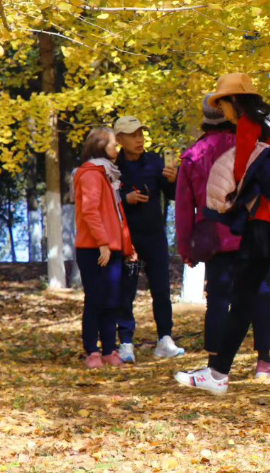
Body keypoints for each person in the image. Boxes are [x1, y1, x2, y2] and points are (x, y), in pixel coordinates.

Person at [176, 73, 270, 396]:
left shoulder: (249, 125)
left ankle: (217, 375)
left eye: (224, 104)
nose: (225, 113)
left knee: (242, 299)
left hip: (264, 224)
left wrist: (237, 199)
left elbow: (249, 170)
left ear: (235, 101)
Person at [175, 95, 270, 379]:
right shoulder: (251, 145)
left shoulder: (192, 155)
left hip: (215, 237)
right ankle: (264, 363)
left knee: (218, 299)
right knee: (260, 295)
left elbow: (184, 209)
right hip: (253, 232)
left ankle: (215, 366)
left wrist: (186, 248)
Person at [113, 116, 184, 362]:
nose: (139, 139)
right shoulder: (113, 166)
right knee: (126, 290)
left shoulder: (155, 162)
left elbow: (173, 195)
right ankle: (126, 343)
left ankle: (165, 338)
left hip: (155, 238)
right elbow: (104, 200)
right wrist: (125, 198)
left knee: (161, 289)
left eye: (141, 134)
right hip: (127, 241)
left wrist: (174, 180)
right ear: (119, 139)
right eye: (132, 135)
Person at [73, 127, 137, 368]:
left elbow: (118, 215)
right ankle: (93, 352)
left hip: (112, 246)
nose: (116, 147)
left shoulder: (108, 176)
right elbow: (90, 212)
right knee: (96, 300)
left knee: (113, 300)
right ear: (100, 145)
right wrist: (102, 243)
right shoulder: (90, 173)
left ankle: (110, 350)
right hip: (94, 248)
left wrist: (126, 246)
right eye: (112, 143)